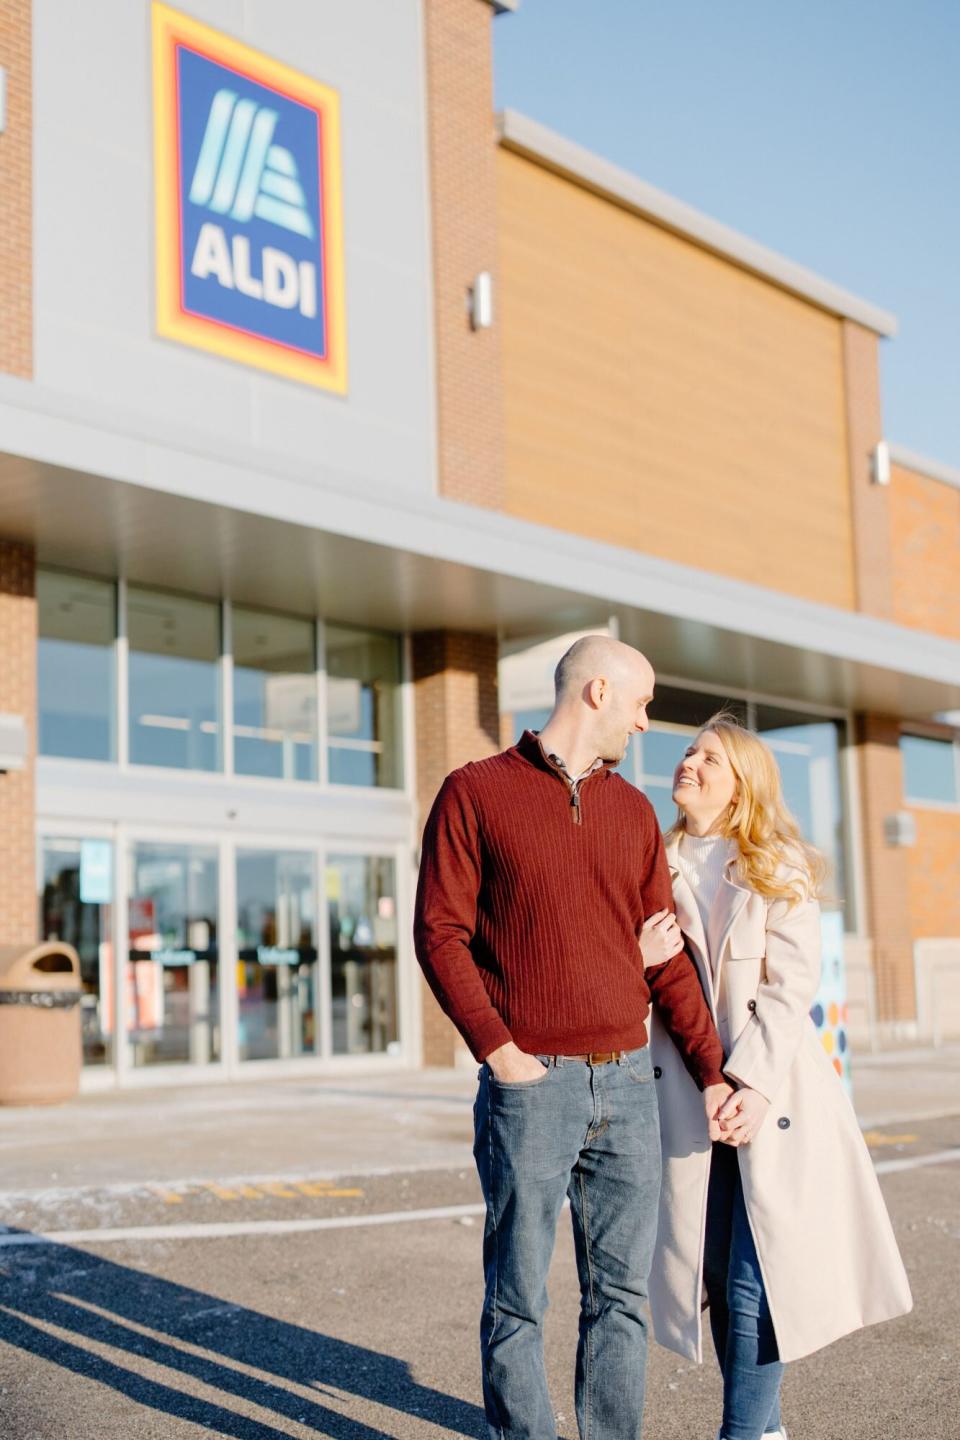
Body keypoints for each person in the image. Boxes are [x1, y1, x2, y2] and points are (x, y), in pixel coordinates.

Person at [414, 635, 731, 1440]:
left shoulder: (631, 813)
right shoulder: (474, 793)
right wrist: (500, 1050)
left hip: (627, 1085)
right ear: (597, 693)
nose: (647, 723)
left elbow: (666, 966)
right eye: (642, 703)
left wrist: (713, 1072)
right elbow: (440, 932)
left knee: (622, 1297)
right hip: (531, 1086)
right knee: (519, 1296)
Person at [640, 713, 913, 1440]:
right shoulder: (650, 865)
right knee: (718, 1285)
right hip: (688, 1101)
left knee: (752, 1281)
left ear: (741, 787)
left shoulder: (772, 864)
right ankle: (765, 1430)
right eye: (689, 752)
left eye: (710, 760)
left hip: (773, 1099)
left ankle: (743, 1434)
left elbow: (792, 991)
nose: (689, 764)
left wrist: (751, 1087)